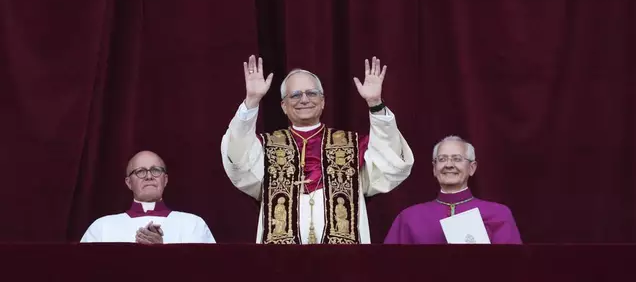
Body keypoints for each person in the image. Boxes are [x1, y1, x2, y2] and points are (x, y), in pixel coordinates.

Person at [221, 55, 414, 244]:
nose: (304, 99)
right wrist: (252, 101)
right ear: (283, 106)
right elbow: (238, 161)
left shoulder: (354, 146)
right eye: (295, 95)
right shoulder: (265, 147)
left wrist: (375, 104)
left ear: (323, 102)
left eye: (312, 93)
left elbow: (392, 164)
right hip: (279, 264)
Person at [383, 135, 522, 244]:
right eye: (442, 159)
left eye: (457, 159)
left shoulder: (498, 214)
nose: (449, 165)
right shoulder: (408, 218)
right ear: (434, 168)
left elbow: (512, 267)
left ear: (472, 168)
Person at [80, 150, 216, 244]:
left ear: (165, 180)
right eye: (140, 171)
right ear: (129, 183)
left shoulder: (193, 224)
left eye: (156, 170)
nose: (149, 176)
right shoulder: (102, 227)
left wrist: (164, 253)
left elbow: (207, 271)